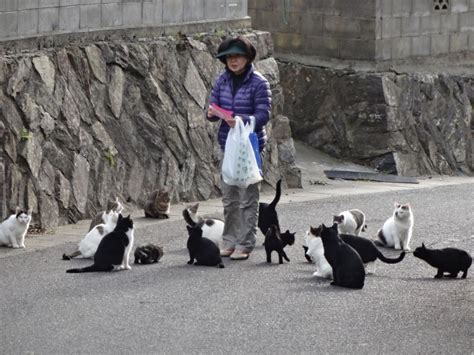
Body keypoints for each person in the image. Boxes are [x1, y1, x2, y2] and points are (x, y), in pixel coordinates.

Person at [206, 35, 272, 260]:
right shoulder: (221, 81)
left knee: (247, 198)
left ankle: (245, 244)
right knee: (229, 198)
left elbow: (264, 114)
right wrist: (212, 113)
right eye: (229, 57)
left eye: (238, 56)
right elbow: (213, 106)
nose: (233, 61)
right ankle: (229, 242)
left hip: (250, 148)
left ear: (247, 57)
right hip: (228, 146)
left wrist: (241, 120)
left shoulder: (259, 82)